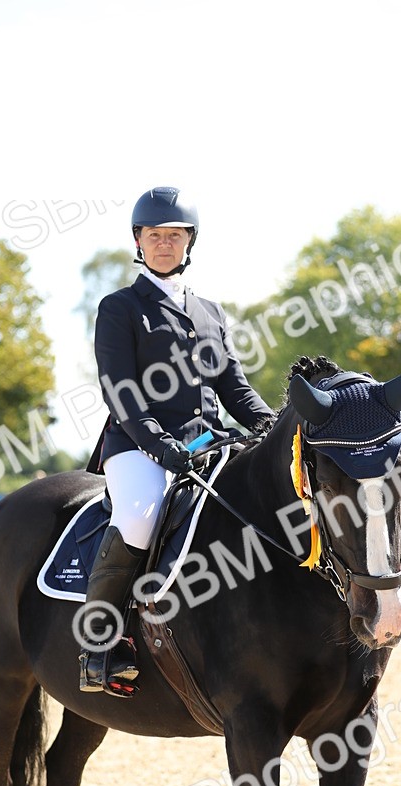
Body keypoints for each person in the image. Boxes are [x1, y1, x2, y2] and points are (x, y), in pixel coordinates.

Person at [79, 186, 274, 695]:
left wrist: (273, 428)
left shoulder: (211, 311)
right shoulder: (120, 307)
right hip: (138, 445)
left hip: (209, 442)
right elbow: (120, 392)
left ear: (190, 242)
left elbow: (235, 387)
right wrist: (162, 446)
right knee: (140, 516)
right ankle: (98, 643)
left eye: (175, 236)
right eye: (154, 236)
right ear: (138, 242)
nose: (165, 244)